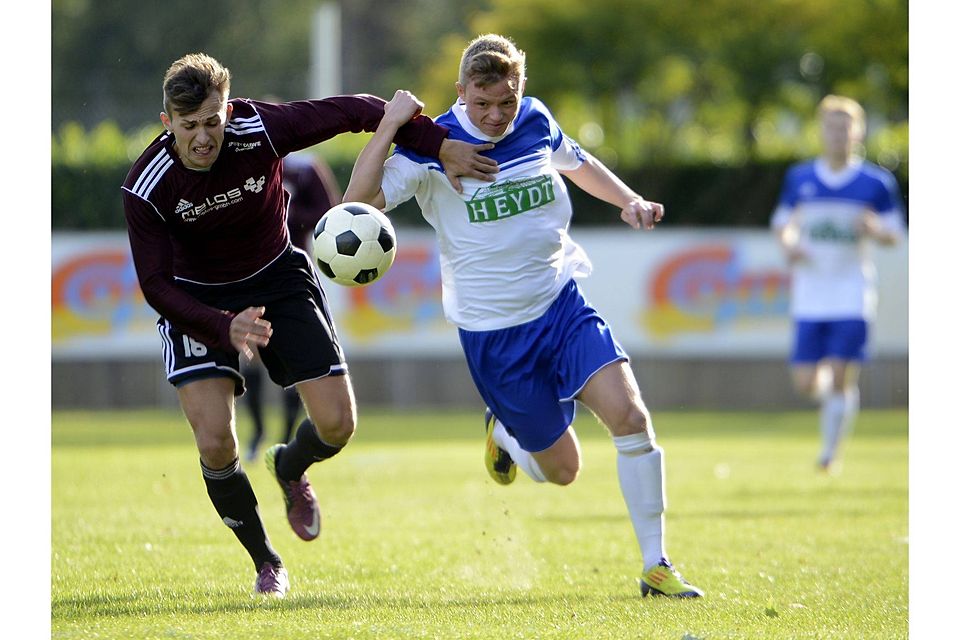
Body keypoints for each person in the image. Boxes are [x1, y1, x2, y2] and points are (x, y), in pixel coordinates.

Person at [121, 52, 497, 598]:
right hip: (197, 300)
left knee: (338, 425)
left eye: (212, 121)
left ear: (228, 111)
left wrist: (438, 145)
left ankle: (290, 466)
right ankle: (266, 562)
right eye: (189, 126)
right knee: (216, 442)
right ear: (167, 122)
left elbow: (358, 110)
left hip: (278, 280)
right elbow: (156, 285)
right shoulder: (147, 184)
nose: (203, 137)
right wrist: (222, 326)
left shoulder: (259, 129)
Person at [343, 34, 702, 598]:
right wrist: (390, 124)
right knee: (563, 470)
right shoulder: (433, 145)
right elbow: (356, 203)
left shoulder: (535, 119)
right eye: (482, 103)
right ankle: (507, 438)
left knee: (631, 418)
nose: (495, 115)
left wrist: (629, 200)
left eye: (506, 101)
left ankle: (656, 565)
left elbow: (578, 163)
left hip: (561, 306)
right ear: (461, 91)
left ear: (521, 89)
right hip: (494, 336)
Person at [771, 95, 906, 473]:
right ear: (821, 131)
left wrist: (875, 229)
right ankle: (830, 401)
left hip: (852, 291)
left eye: (845, 128)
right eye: (831, 127)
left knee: (843, 376)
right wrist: (790, 245)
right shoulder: (800, 178)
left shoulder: (875, 182)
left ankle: (830, 454)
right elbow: (783, 224)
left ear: (858, 133)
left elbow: (895, 233)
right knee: (805, 382)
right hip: (810, 292)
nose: (838, 135)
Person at [243, 150, 342, 463]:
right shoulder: (244, 162)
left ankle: (285, 437)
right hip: (247, 276)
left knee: (293, 359)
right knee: (251, 353)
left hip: (292, 279)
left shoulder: (305, 167)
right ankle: (257, 433)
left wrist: (287, 211)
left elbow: (328, 214)